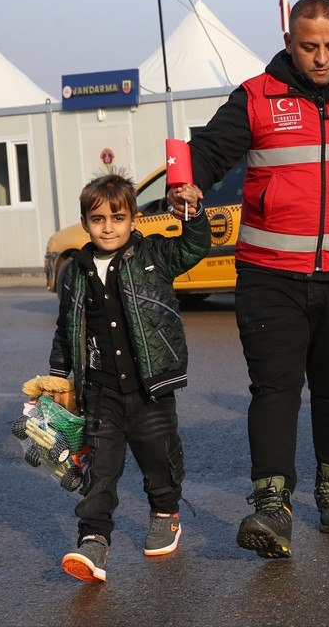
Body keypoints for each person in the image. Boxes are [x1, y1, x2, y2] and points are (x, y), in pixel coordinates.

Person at [167, 0, 329, 559]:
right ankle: (270, 505)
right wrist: (188, 181)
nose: (322, 58)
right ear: (289, 42)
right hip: (268, 277)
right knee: (274, 391)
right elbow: (208, 151)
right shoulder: (257, 96)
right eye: (308, 47)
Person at [50, 172, 211, 584]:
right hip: (100, 391)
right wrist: (56, 378)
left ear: (134, 219)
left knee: (157, 456)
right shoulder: (78, 271)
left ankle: (165, 511)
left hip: (150, 387)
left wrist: (192, 212)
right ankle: (93, 543)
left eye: (117, 218)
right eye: (98, 219)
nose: (108, 227)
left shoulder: (153, 255)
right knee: (99, 472)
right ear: (85, 223)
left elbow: (194, 246)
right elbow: (67, 325)